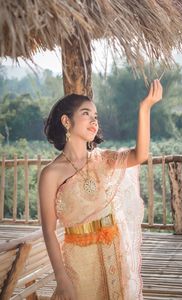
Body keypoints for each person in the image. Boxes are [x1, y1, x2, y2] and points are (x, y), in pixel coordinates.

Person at [39, 79, 163, 300]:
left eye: (96, 116)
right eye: (86, 114)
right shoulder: (51, 174)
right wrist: (61, 278)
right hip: (79, 260)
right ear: (66, 121)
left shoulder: (104, 160)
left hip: (113, 252)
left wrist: (145, 109)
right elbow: (49, 231)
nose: (94, 121)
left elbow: (140, 155)